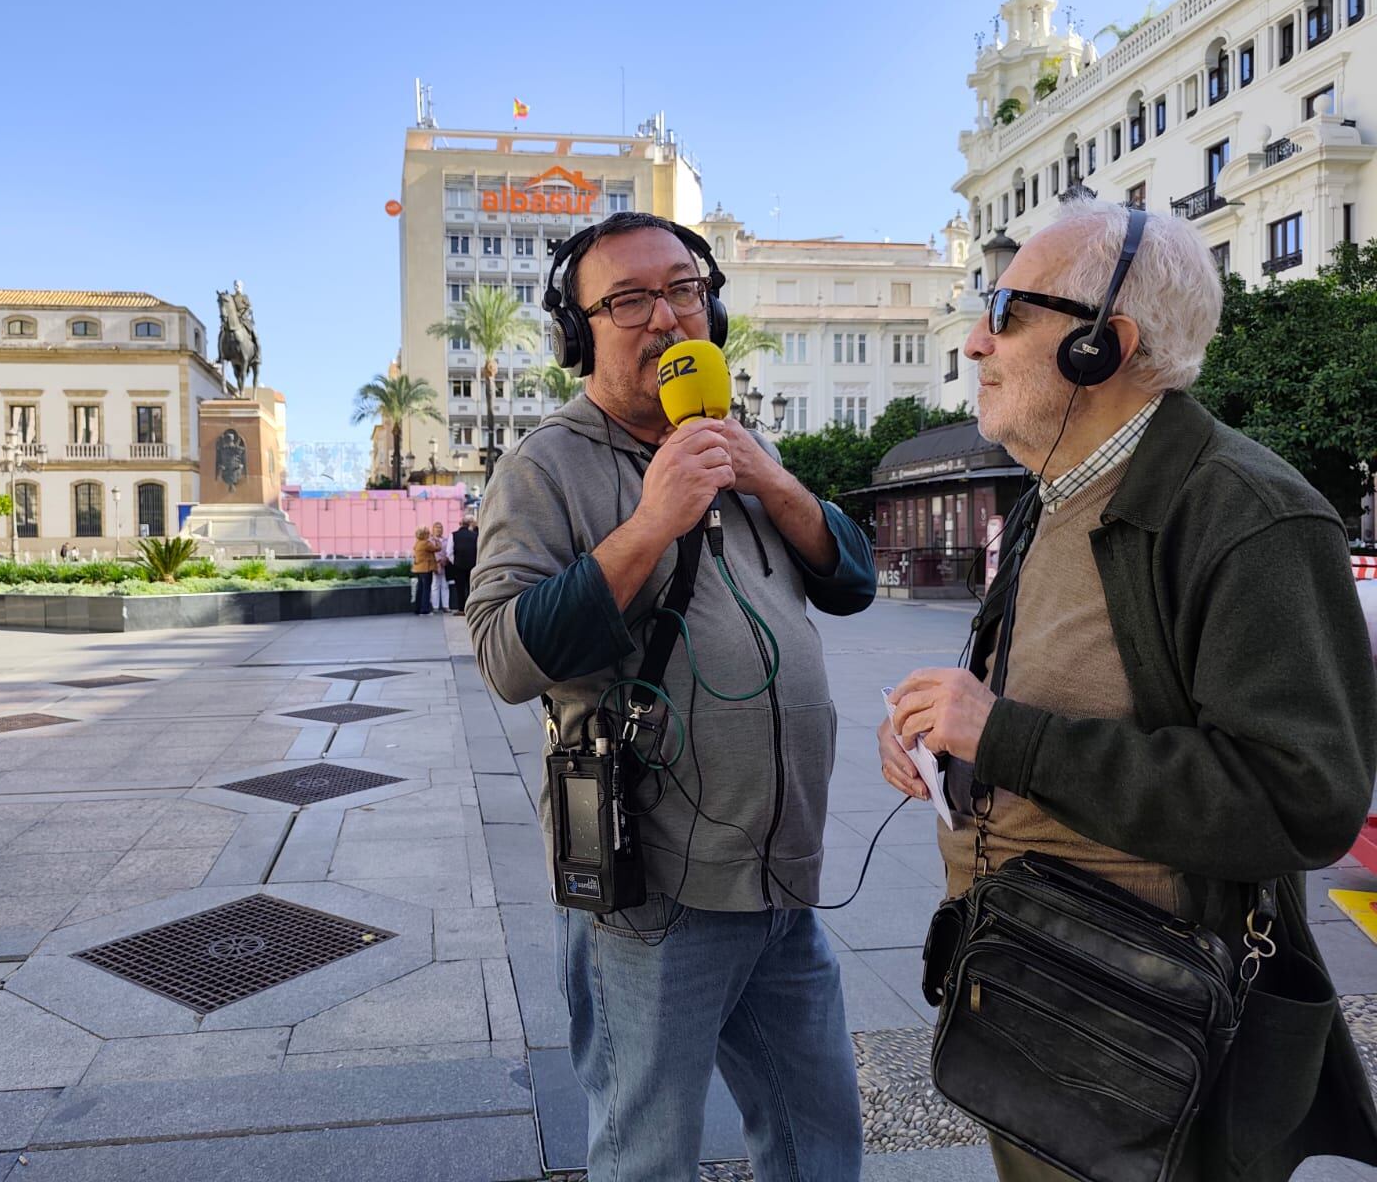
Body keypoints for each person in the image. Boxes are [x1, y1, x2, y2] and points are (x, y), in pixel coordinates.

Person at [878, 198, 1377, 1180]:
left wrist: (1007, 735)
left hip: (1151, 1044)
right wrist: (944, 738)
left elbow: (1302, 798)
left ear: (1103, 345)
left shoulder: (1248, 515)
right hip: (1025, 994)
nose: (974, 342)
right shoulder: (1054, 495)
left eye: (1008, 311)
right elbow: (1032, 703)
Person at [466, 211, 876, 1181]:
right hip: (654, 897)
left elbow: (851, 580)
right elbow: (504, 653)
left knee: (818, 1138)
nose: (665, 317)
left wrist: (770, 480)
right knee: (645, 1154)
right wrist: (649, 523)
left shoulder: (737, 442)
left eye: (683, 290)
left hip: (780, 880)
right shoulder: (544, 468)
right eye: (629, 300)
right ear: (579, 334)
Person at [449, 515, 478, 614]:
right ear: (469, 524)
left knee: (459, 588)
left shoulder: (453, 535)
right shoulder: (475, 535)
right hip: (472, 565)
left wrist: (455, 561)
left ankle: (461, 609)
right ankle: (471, 609)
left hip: (458, 566)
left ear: (460, 524)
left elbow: (449, 551)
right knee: (471, 587)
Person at [410, 526, 436, 615]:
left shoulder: (417, 543)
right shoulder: (426, 543)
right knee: (426, 589)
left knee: (420, 589)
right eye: (428, 533)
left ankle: (417, 608)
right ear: (424, 534)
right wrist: (436, 541)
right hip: (426, 568)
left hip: (418, 569)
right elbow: (437, 548)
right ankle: (425, 609)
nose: (429, 534)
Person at [430, 520, 450, 613]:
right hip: (435, 565)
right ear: (433, 529)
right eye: (437, 528)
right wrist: (437, 561)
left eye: (440, 528)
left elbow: (449, 551)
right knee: (435, 585)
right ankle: (435, 607)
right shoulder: (430, 540)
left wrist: (445, 559)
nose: (439, 530)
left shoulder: (446, 540)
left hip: (445, 565)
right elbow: (431, 553)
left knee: (445, 585)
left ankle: (446, 606)